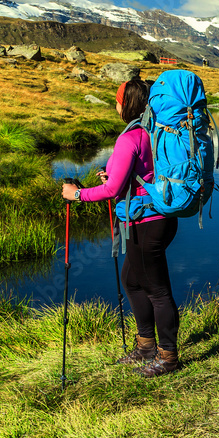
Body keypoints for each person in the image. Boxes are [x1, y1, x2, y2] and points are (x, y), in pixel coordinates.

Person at [61, 79, 181, 377]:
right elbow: (139, 175)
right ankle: (145, 347)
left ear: (126, 104)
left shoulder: (129, 138)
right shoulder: (153, 133)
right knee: (132, 280)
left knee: (157, 291)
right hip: (160, 219)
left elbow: (113, 191)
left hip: (146, 223)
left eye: (117, 100)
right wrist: (111, 174)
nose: (115, 105)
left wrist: (77, 194)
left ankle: (167, 358)